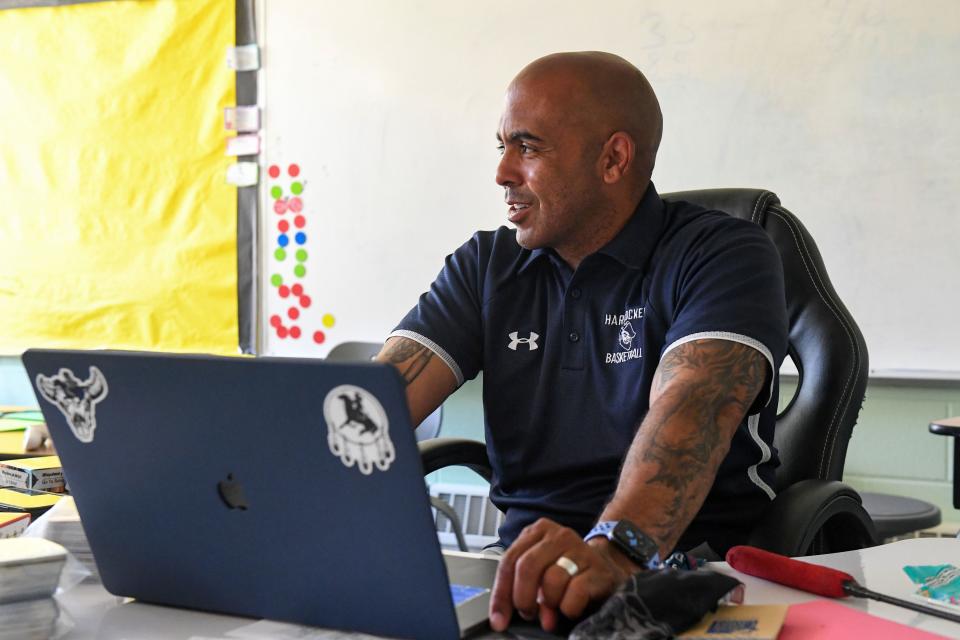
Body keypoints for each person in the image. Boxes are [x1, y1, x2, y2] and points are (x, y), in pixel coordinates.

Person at [376, 51, 787, 633]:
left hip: (683, 570)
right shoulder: (485, 266)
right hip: (524, 578)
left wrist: (613, 550)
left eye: (529, 147)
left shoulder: (722, 254)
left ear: (613, 158)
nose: (502, 173)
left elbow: (691, 413)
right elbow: (370, 406)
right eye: (502, 147)